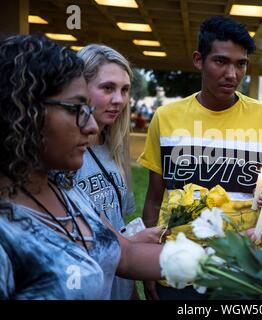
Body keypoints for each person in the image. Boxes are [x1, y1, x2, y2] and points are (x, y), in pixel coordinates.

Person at [138, 15, 262, 299]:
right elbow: (154, 198)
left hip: (240, 271)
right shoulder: (166, 117)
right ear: (198, 60)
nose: (232, 74)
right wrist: (151, 265)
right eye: (221, 61)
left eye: (240, 63)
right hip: (177, 268)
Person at [0, 35, 162, 299]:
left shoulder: (65, 189)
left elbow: (126, 255)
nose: (90, 126)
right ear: (24, 112)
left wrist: (219, 255)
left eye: (124, 90)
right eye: (76, 108)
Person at [75, 44, 161, 300]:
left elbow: (118, 224)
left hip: (120, 283)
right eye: (107, 88)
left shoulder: (115, 146)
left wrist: (131, 289)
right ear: (79, 88)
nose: (119, 100)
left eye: (124, 90)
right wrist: (135, 248)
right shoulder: (62, 154)